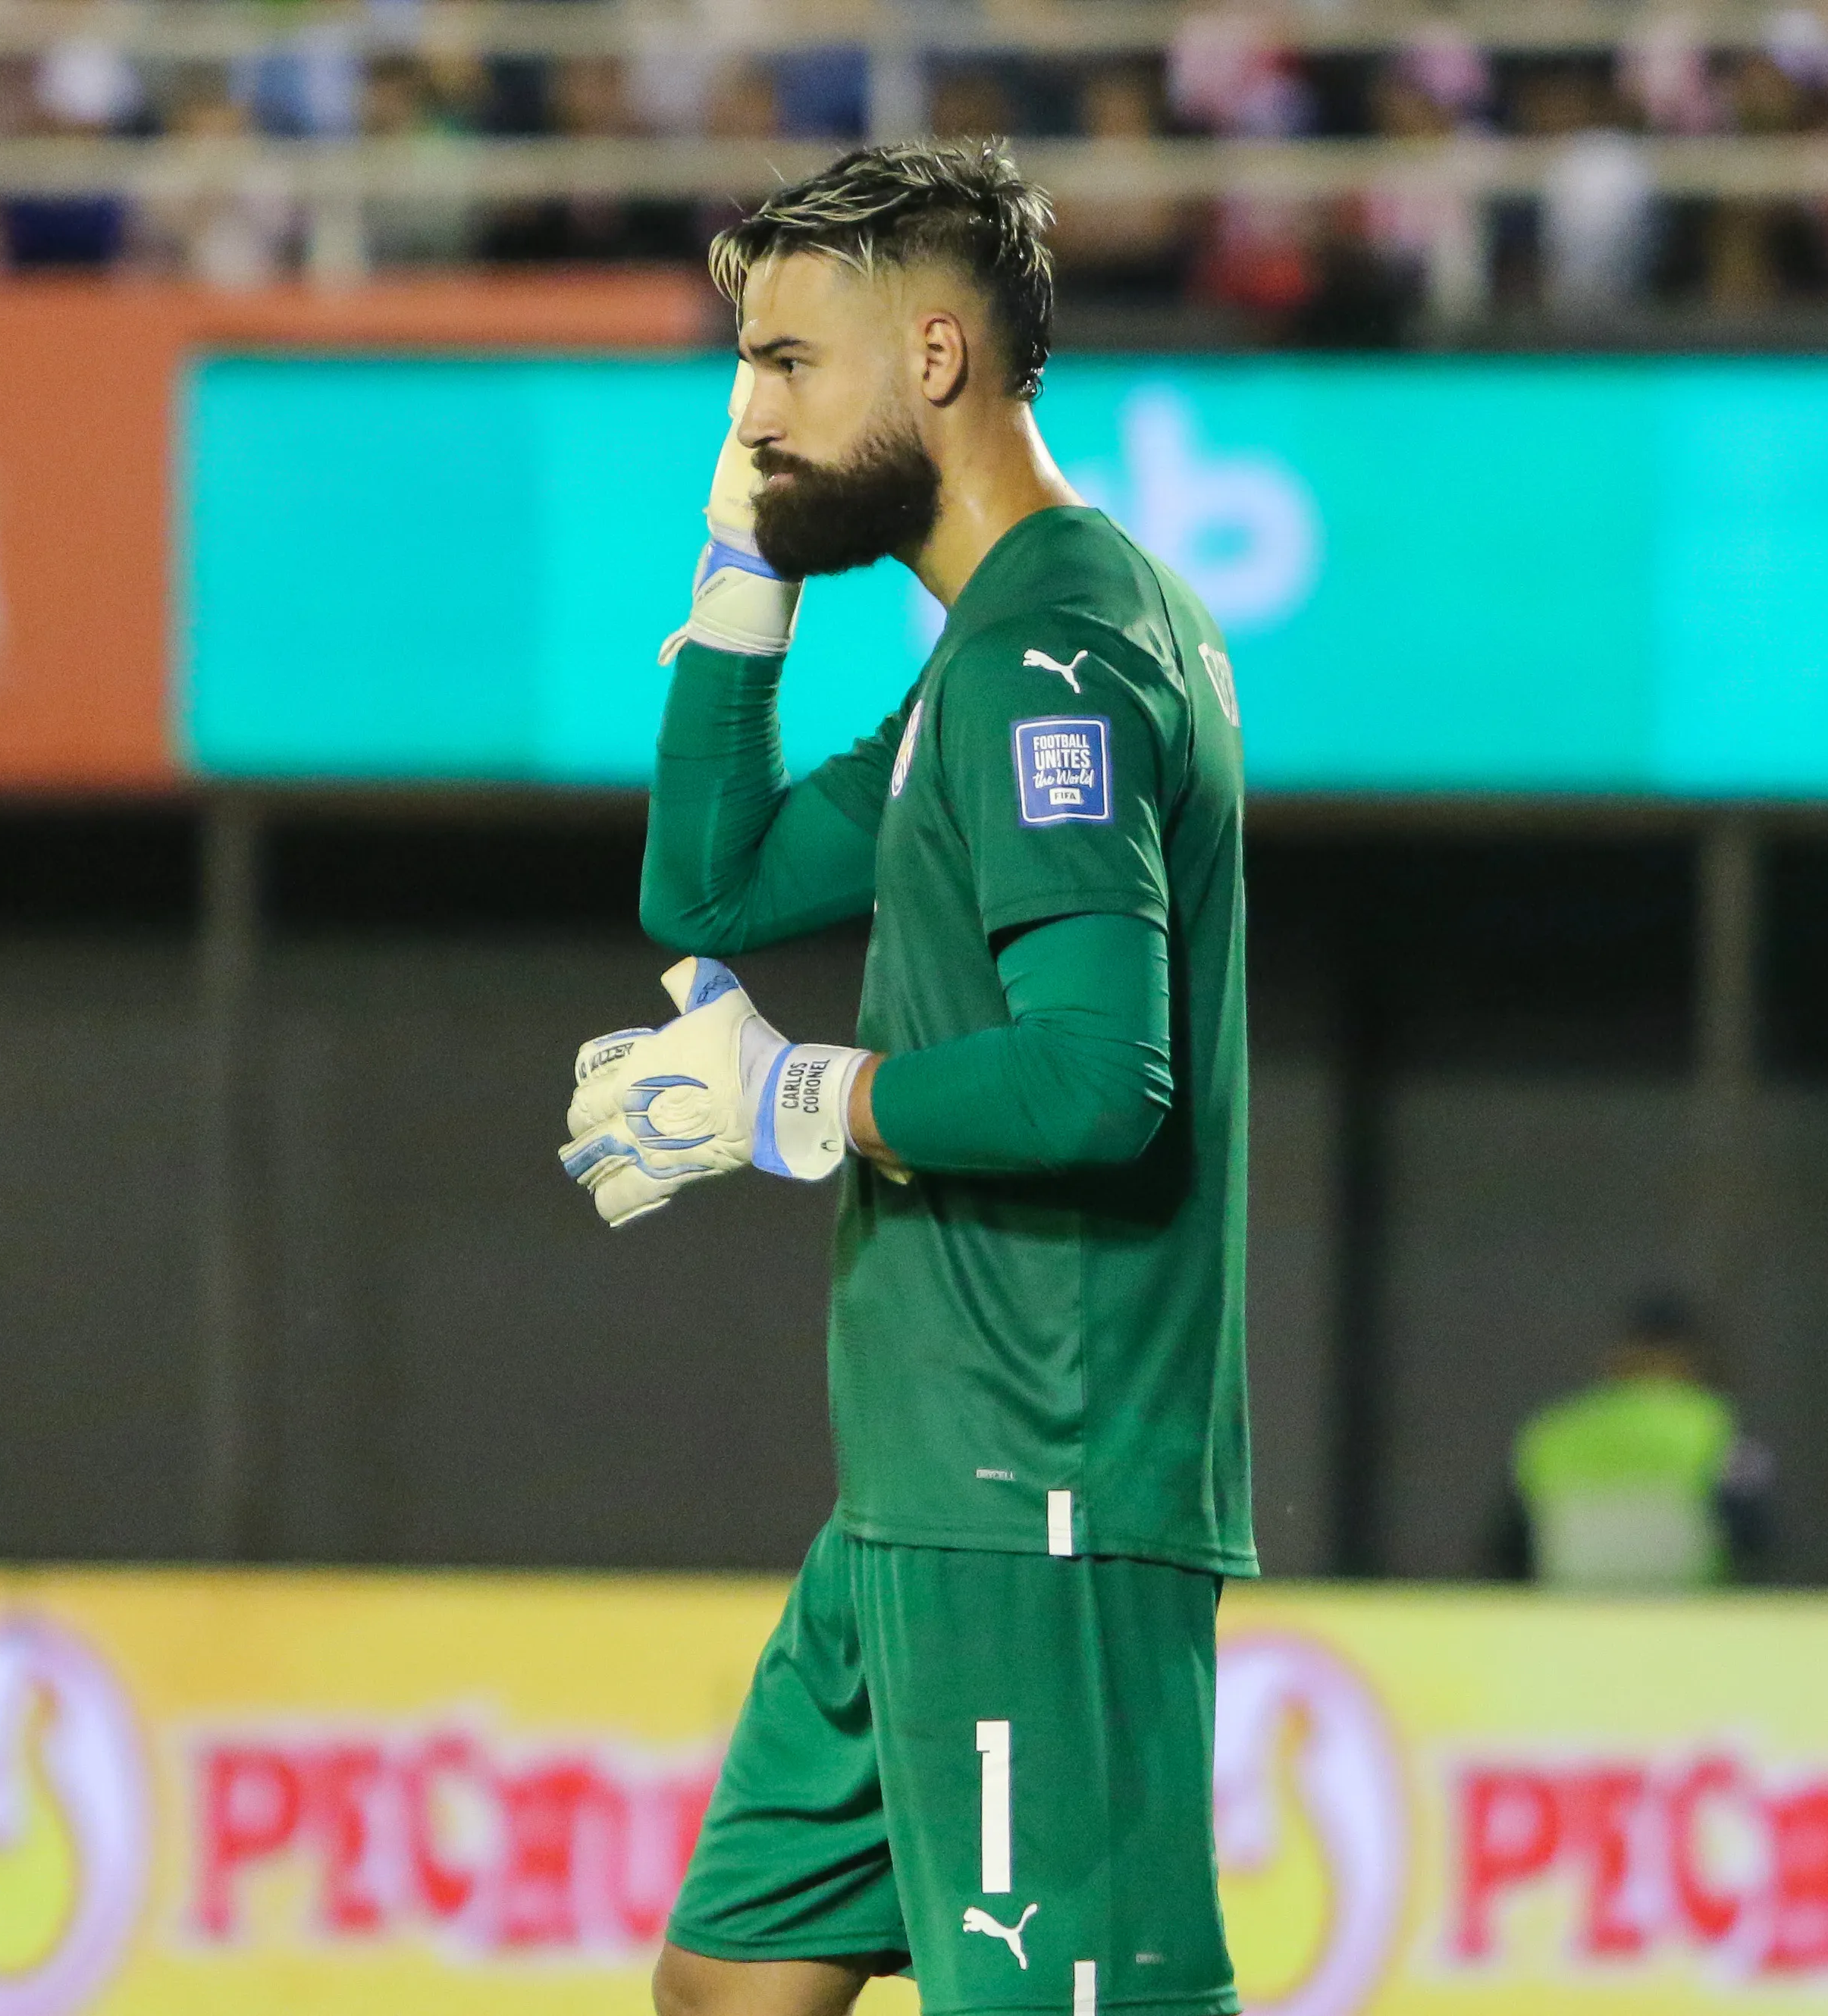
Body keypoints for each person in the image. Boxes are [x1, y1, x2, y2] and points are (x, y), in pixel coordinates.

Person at [559, 141, 1250, 2016]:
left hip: (1038, 1471)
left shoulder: (1051, 657)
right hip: (918, 1485)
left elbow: (1103, 1081)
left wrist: (795, 1102)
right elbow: (703, 883)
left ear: (932, 358)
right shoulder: (996, 651)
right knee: (729, 1982)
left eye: (786, 363)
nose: (748, 406)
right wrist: (738, 570)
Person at [1497, 1291, 1775, 1589]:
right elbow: (1754, 1534)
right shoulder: (1712, 1428)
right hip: (1684, 1620)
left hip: (1574, 1620)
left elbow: (1507, 1547)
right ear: (1693, 1359)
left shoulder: (1553, 1433)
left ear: (1617, 1356)